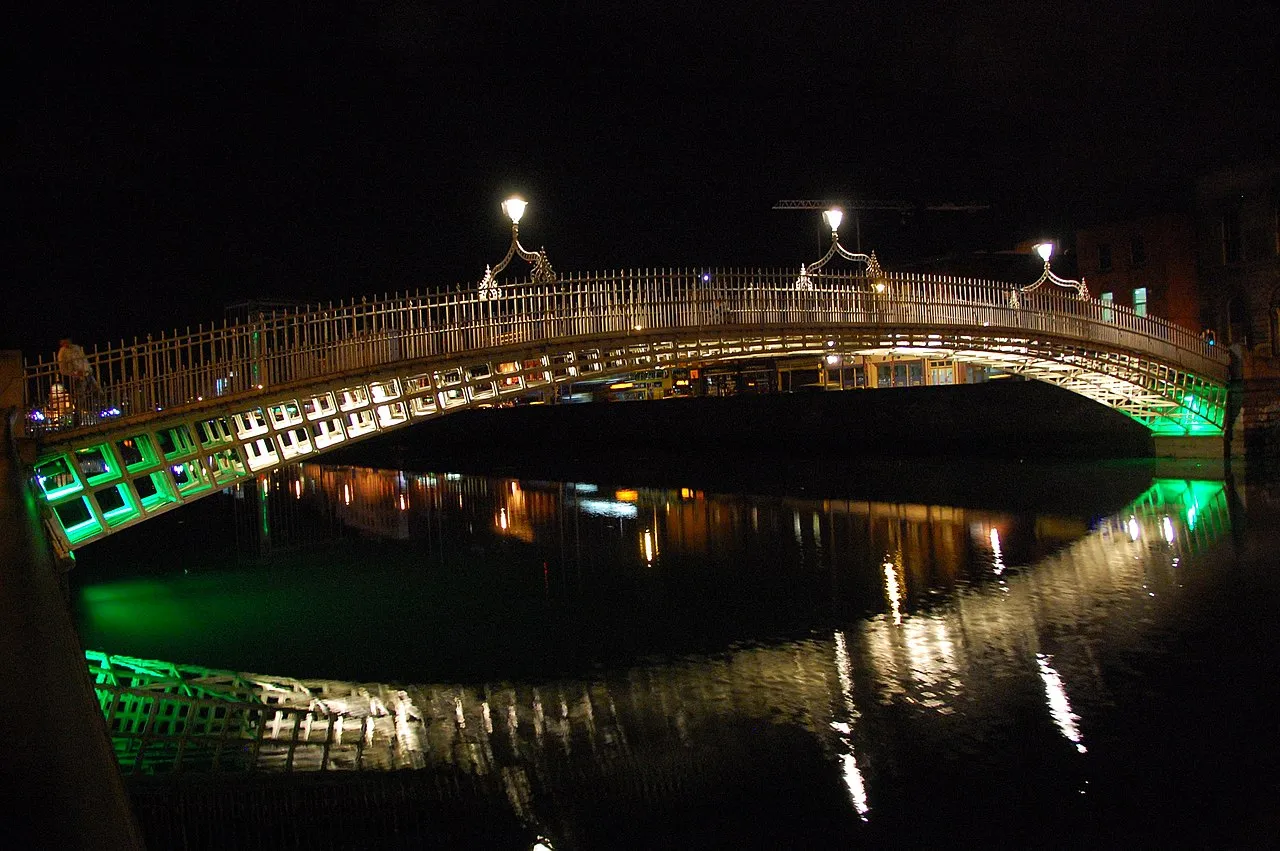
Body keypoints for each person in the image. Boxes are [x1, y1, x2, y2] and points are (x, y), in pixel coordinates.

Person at [56, 337, 98, 422]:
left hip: (87, 372)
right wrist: (75, 373)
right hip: (78, 377)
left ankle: (98, 412)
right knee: (80, 398)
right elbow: (63, 369)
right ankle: (77, 420)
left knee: (97, 392)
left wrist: (88, 369)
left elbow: (83, 359)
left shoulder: (76, 348)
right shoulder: (62, 353)